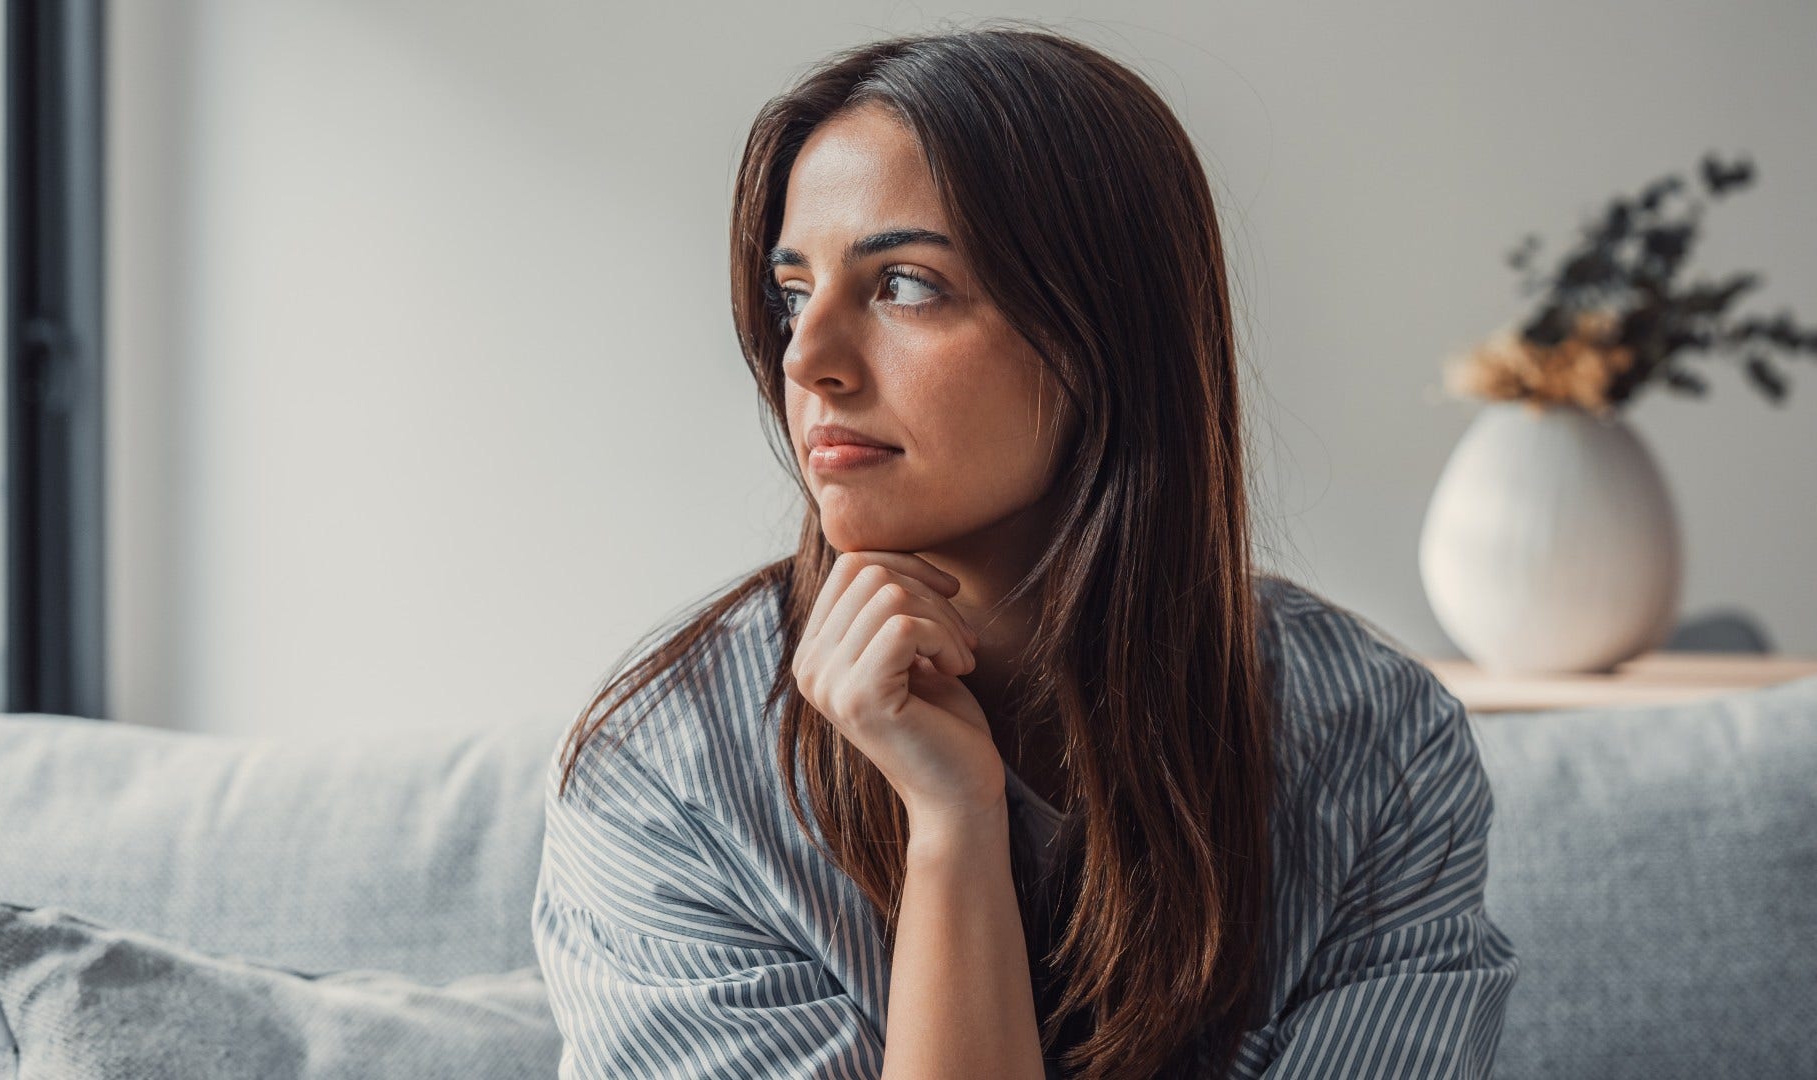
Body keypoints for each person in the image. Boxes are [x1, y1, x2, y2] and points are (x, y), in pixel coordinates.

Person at [532, 20, 1520, 1080]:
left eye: (905, 283)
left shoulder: (1372, 750)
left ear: (1102, 336)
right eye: (790, 292)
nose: (808, 359)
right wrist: (955, 828)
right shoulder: (669, 775)